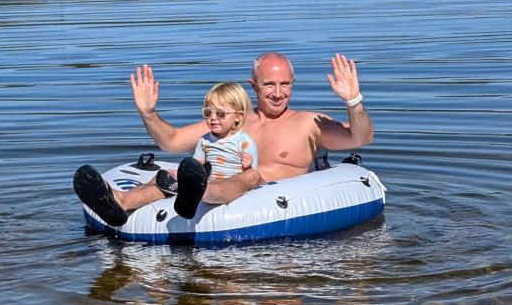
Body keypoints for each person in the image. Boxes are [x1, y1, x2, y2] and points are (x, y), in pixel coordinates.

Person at [73, 51, 373, 226]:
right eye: (269, 84)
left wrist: (353, 100)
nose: (278, 93)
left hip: (263, 193)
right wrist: (149, 113)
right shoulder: (234, 119)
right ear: (253, 85)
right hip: (213, 183)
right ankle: (119, 200)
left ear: (293, 84)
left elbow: (359, 138)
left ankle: (198, 191)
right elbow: (172, 142)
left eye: (285, 84)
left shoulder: (309, 123)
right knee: (172, 173)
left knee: (245, 177)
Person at [153, 81, 258, 219]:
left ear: (238, 116)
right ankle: (189, 190)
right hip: (212, 181)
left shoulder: (244, 142)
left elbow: (252, 177)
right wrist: (182, 174)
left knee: (245, 178)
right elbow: (197, 166)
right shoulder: (205, 141)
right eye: (208, 112)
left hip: (232, 183)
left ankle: (196, 193)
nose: (213, 118)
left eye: (220, 114)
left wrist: (248, 165)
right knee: (175, 175)